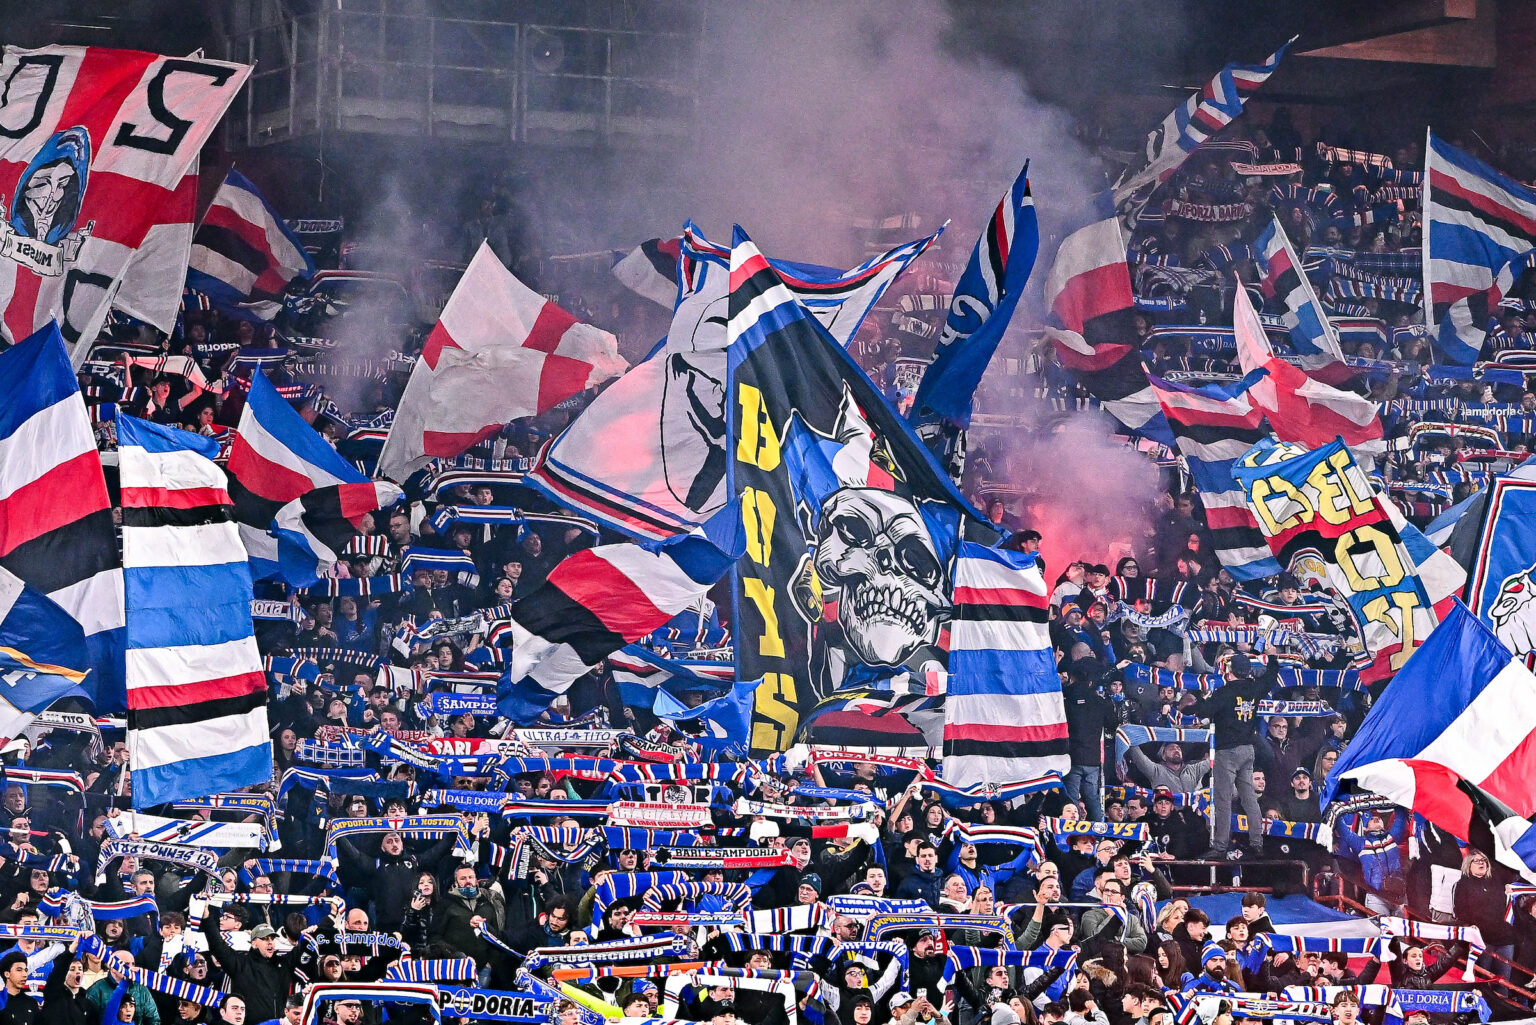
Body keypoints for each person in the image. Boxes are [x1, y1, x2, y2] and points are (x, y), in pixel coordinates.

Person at [1191, 654, 1271, 859]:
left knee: (1223, 800)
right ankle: (1257, 844)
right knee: (1249, 799)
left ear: (1230, 670)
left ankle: (1220, 846)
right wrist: (1271, 655)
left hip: (1227, 752)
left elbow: (1203, 711)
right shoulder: (1254, 688)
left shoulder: (1223, 692)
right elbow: (1272, 676)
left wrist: (1201, 697)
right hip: (1248, 749)